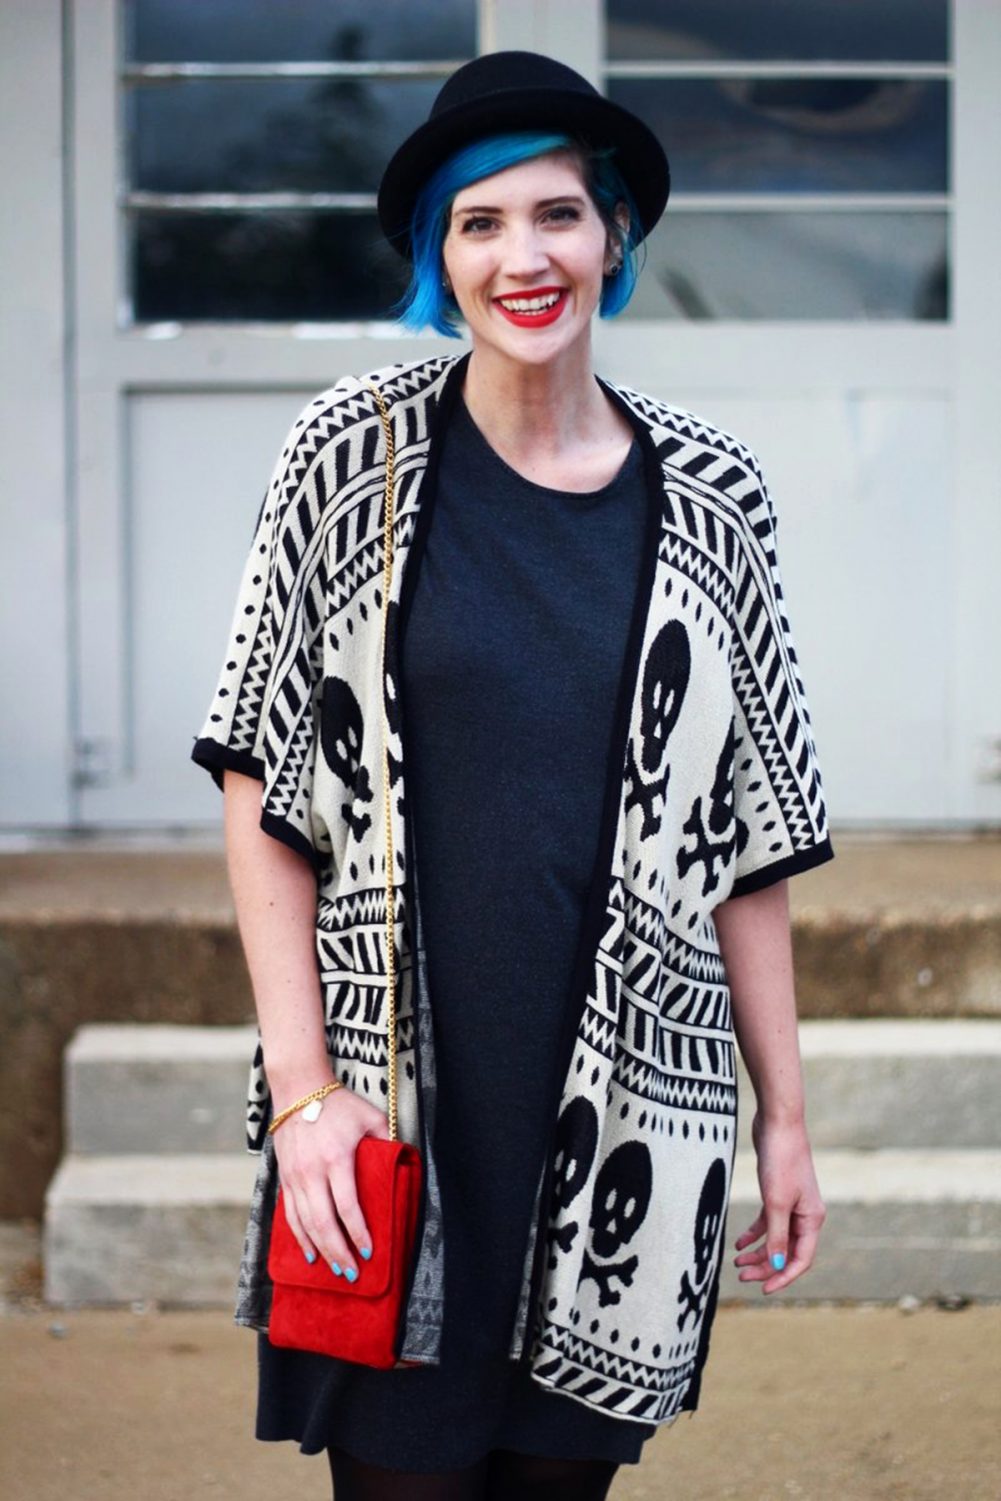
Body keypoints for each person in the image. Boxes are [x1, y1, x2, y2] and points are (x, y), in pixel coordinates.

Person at [191, 49, 834, 1501]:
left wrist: (782, 1116)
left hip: (627, 1126)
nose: (520, 256)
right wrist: (302, 1092)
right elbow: (260, 784)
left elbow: (753, 842)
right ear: (440, 255)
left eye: (554, 214)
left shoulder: (716, 496)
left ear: (613, 235)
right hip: (391, 1115)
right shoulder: (345, 458)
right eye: (476, 224)